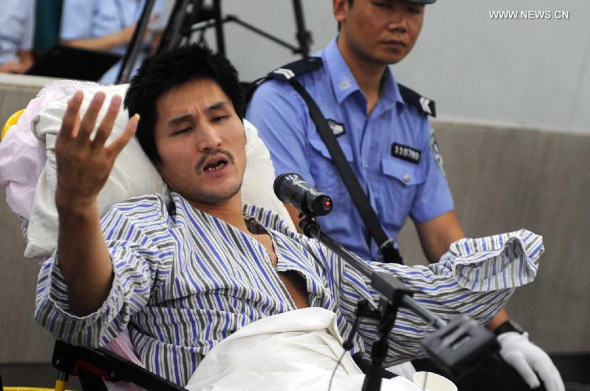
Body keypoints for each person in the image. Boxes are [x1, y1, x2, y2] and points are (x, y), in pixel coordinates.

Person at [35, 43, 543, 389]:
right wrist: (77, 208)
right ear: (158, 157)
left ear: (241, 125)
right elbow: (84, 312)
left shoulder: (296, 239)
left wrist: (506, 272)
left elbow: (399, 306)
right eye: (183, 128)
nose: (210, 138)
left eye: (219, 117)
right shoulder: (148, 223)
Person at [245, 1, 564, 390]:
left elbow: (445, 238)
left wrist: (505, 330)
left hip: (395, 308)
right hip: (320, 315)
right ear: (341, 6)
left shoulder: (412, 117)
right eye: (385, 5)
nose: (400, 23)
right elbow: (288, 238)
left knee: (516, 383)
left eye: (414, 10)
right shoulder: (284, 98)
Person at [58, 0, 165, 83]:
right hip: (98, 77)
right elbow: (69, 46)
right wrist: (121, 37)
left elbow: (155, 38)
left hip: (141, 75)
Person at [0, 0, 35, 74]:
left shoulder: (26, 2)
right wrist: (2, 70)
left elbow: (26, 57)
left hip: (13, 73)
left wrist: (22, 69)